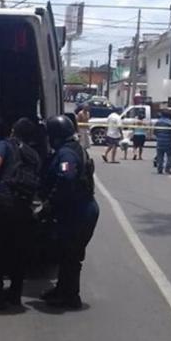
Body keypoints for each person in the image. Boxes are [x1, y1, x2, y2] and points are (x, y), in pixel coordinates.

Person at [0, 118, 41, 310]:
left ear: (13, 131)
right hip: (23, 207)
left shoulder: (4, 145)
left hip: (1, 204)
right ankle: (15, 294)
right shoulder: (34, 155)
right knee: (18, 252)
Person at [41, 115, 99, 309]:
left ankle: (71, 297)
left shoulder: (67, 154)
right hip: (78, 209)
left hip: (79, 211)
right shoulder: (72, 148)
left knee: (71, 255)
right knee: (65, 253)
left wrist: (50, 203)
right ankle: (62, 289)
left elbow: (66, 178)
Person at [155, 110, 171, 175]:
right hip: (168, 142)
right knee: (170, 156)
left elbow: (155, 131)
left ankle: (160, 169)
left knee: (160, 156)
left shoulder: (158, 122)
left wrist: (159, 136)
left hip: (160, 141)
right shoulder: (170, 122)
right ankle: (167, 169)